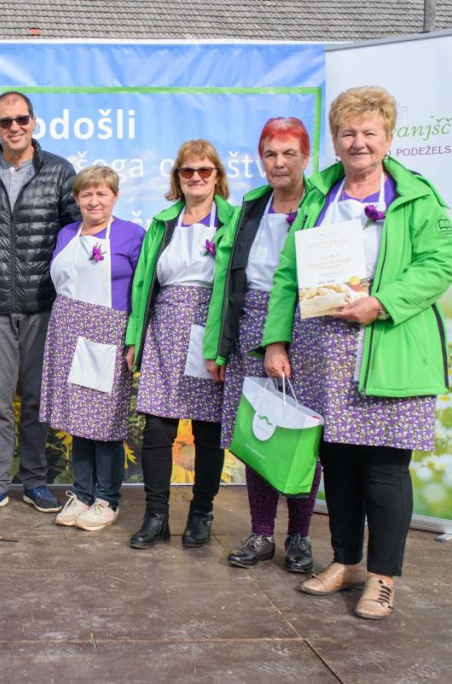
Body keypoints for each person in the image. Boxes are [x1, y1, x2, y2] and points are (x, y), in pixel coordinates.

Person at [262, 86, 452, 619]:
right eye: (348, 133)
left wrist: (382, 302)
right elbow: (287, 273)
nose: (358, 143)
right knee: (338, 464)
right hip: (322, 349)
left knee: (385, 471)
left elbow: (442, 262)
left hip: (390, 343)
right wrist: (276, 340)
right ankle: (346, 562)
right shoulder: (318, 196)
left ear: (388, 138)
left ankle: (382, 578)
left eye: (369, 133)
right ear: (335, 141)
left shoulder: (416, 196)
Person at [202, 119, 322, 572]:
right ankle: (260, 533)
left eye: (289, 153)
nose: (279, 162)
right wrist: (219, 346)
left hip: (308, 323)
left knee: (301, 435)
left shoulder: (321, 203)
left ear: (306, 157)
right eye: (271, 154)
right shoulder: (251, 206)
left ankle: (300, 536)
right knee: (260, 429)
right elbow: (225, 283)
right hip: (250, 324)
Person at [0, 91, 81, 516]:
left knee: (36, 400)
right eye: (5, 121)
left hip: (43, 305)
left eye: (21, 119)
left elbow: (77, 235)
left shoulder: (59, 171)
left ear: (34, 122)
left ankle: (35, 481)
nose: (14, 127)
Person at [125, 139, 235, 550]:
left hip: (208, 330)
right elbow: (143, 284)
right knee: (156, 430)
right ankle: (156, 516)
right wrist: (135, 337)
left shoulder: (233, 221)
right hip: (163, 329)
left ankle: (201, 512)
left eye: (204, 170)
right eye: (187, 171)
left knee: (208, 431)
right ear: (177, 177)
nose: (195, 177)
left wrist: (222, 345)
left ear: (217, 176)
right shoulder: (163, 223)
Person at [40, 166, 145, 531]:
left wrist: (135, 338)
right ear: (77, 198)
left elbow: (143, 291)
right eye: (87, 194)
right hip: (68, 331)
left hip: (109, 334)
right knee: (78, 420)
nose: (94, 201)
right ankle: (82, 494)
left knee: (106, 421)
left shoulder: (132, 235)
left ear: (115, 197)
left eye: (102, 193)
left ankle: (107, 500)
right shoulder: (67, 233)